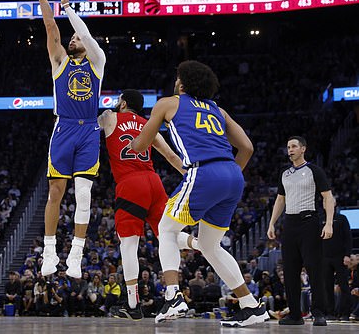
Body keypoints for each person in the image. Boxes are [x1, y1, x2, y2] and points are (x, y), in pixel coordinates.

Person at [131, 60, 267, 327]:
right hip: (232, 175)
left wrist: (132, 139)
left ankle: (173, 296)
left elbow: (140, 145)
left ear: (182, 82)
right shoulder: (219, 110)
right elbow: (247, 148)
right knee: (209, 245)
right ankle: (250, 305)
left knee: (166, 229)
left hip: (204, 172)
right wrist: (228, 175)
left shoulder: (168, 103)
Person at [20, 0, 105, 278]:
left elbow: (87, 36)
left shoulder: (97, 62)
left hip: (89, 130)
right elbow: (50, 28)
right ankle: (49, 251)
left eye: (77, 38)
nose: (72, 40)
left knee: (84, 193)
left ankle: (76, 255)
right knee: (56, 192)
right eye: (71, 38)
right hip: (64, 129)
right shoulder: (59, 61)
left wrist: (69, 8)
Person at [97, 89, 197, 320]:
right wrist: (193, 177)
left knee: (129, 245)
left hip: (130, 183)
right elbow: (172, 157)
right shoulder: (147, 124)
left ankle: (132, 305)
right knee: (168, 234)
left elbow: (92, 126)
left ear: (122, 103)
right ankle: (201, 243)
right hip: (154, 182)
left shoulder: (110, 117)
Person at [267, 135, 335, 326]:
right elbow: (280, 200)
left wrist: (328, 223)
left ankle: (319, 313)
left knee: (315, 269)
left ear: (303, 149)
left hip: (309, 222)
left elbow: (328, 197)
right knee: (290, 271)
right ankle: (295, 315)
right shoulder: (284, 173)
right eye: (288, 147)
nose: (290, 150)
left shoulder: (314, 170)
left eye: (294, 146)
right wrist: (272, 223)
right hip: (289, 224)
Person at [322, 208, 353, 320]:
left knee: (343, 285)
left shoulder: (341, 218)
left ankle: (346, 313)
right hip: (324, 257)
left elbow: (348, 237)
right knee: (327, 287)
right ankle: (330, 313)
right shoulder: (321, 219)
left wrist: (347, 255)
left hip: (340, 257)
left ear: (334, 204)